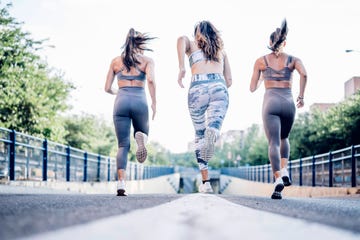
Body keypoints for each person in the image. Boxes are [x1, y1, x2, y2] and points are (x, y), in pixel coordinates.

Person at [250, 19, 307, 199]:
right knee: (284, 137)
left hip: (270, 102)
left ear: (269, 42)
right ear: (285, 42)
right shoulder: (293, 60)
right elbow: (304, 74)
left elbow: (252, 88)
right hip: (289, 102)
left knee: (273, 142)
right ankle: (284, 169)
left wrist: (262, 77)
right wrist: (301, 96)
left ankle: (277, 179)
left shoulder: (261, 61)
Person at [177, 20, 232, 193]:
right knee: (213, 125)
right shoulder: (221, 52)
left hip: (197, 88)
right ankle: (214, 131)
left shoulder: (192, 46)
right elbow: (229, 81)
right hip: (219, 85)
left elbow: (180, 39)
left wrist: (182, 67)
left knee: (199, 135)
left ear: (196, 34)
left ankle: (206, 183)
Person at [105, 28, 156, 196]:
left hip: (121, 101)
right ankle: (141, 137)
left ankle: (121, 183)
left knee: (122, 145)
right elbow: (150, 80)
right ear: (141, 44)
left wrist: (118, 92)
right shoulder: (147, 61)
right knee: (143, 132)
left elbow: (107, 88)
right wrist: (154, 103)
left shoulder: (115, 61)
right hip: (140, 100)